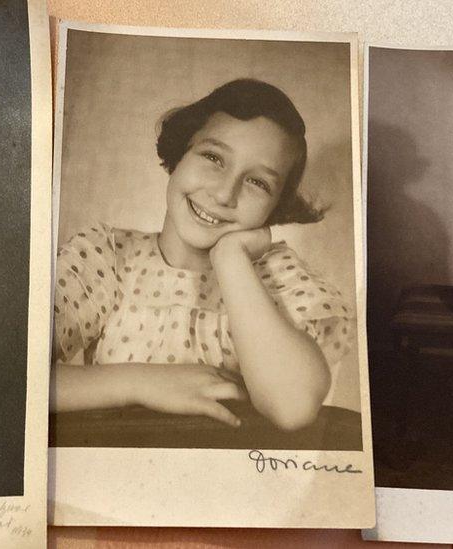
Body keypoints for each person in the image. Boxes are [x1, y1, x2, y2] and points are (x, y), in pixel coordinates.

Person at [52, 79, 354, 432]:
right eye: (213, 157)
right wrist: (142, 383)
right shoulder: (108, 257)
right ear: (180, 154)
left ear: (276, 208)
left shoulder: (276, 276)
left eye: (258, 183)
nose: (225, 194)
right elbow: (10, 377)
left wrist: (230, 260)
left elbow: (293, 408)